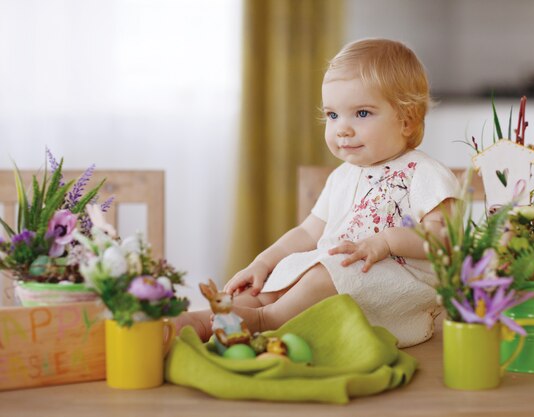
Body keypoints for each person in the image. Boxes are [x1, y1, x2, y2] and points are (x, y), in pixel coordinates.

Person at [176, 38, 459, 347]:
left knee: (323, 275)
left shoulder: (424, 173)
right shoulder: (342, 177)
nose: (342, 129)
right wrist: (262, 263)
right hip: (336, 272)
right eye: (333, 115)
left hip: (394, 288)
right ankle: (207, 320)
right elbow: (307, 233)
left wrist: (387, 241)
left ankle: (264, 321)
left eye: (362, 113)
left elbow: (444, 240)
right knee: (272, 283)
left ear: (406, 120)